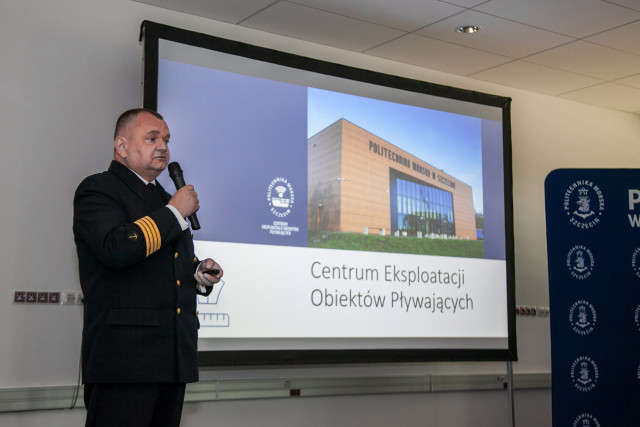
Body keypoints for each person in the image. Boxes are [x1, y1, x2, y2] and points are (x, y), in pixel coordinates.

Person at [73, 108, 223, 426]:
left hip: (172, 358)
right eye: (151, 138)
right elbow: (116, 249)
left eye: (166, 140)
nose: (162, 147)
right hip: (125, 360)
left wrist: (198, 273)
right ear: (122, 146)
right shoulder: (98, 189)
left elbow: (164, 264)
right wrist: (173, 213)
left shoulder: (166, 200)